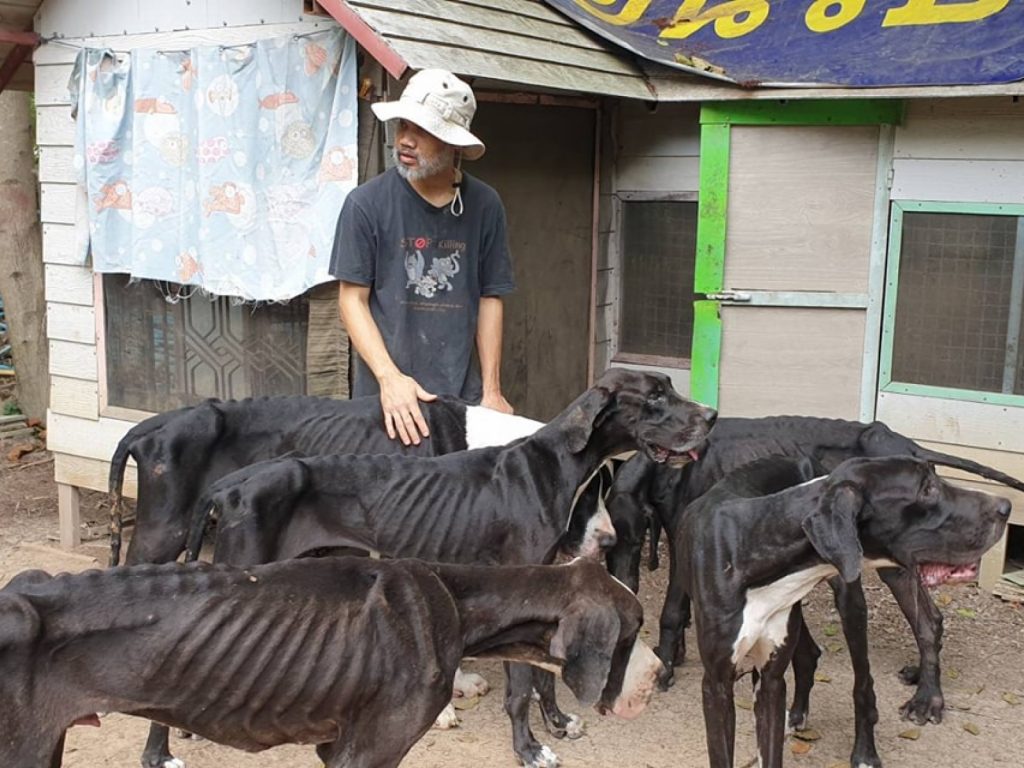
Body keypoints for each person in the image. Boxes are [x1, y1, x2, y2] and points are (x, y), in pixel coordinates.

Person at [329, 69, 515, 446]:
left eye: (422, 130)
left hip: (460, 397)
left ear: (454, 144)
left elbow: (490, 296)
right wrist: (389, 378)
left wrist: (492, 391)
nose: (405, 141)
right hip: (385, 400)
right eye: (402, 125)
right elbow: (352, 299)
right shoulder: (366, 204)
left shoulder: (485, 204)